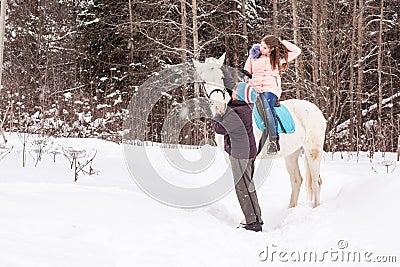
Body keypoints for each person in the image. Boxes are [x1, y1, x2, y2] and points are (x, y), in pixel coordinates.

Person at [211, 87, 263, 232]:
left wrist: (216, 115)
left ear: (239, 97)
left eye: (234, 91)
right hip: (248, 152)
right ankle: (256, 217)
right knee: (249, 186)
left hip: (240, 155)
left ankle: (252, 221)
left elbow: (219, 129)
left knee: (242, 188)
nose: (231, 91)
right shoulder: (244, 108)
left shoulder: (238, 113)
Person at [244, 35, 301, 154]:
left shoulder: (278, 59)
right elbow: (247, 72)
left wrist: (281, 42)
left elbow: (297, 51)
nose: (261, 48)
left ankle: (274, 140)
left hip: (270, 89)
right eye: (261, 45)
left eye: (265, 48)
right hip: (254, 88)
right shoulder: (253, 55)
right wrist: (247, 79)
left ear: (272, 49)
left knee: (267, 108)